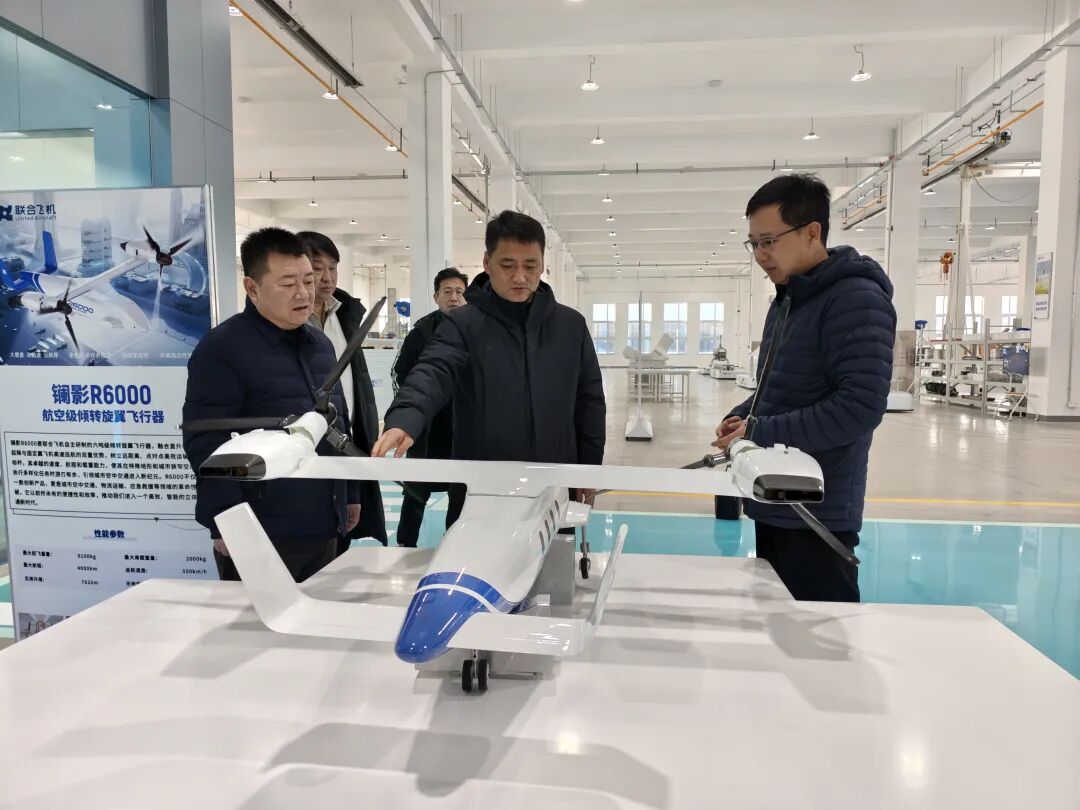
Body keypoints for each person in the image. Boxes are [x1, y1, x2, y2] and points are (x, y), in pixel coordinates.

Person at [714, 173, 896, 603]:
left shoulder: (855, 299)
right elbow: (778, 386)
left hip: (817, 510)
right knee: (776, 622)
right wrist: (744, 415)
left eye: (769, 241)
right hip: (776, 495)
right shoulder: (789, 299)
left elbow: (858, 408)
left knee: (819, 630)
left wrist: (759, 431)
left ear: (812, 232)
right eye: (753, 244)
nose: (760, 255)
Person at [371, 210, 606, 523]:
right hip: (480, 492)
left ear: (542, 264)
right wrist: (404, 418)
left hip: (554, 487)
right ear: (486, 263)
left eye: (530, 266)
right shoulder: (463, 325)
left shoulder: (570, 326)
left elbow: (589, 401)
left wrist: (589, 469)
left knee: (552, 554)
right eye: (507, 265)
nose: (520, 277)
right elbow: (433, 370)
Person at [182, 227, 361, 582]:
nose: (304, 293)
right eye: (288, 283)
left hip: (324, 519)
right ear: (252, 288)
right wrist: (227, 520)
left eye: (308, 281)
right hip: (261, 527)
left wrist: (350, 493)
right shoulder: (222, 349)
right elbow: (205, 443)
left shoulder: (320, 344)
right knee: (255, 618)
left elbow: (336, 423)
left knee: (320, 612)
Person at [297, 230, 387, 550]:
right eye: (317, 268)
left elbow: (355, 380)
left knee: (345, 529)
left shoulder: (346, 314)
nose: (327, 277)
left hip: (347, 434)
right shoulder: (287, 322)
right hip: (306, 442)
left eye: (333, 268)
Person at [391, 266, 468, 547]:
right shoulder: (420, 334)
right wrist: (414, 413)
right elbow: (399, 374)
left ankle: (453, 547)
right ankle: (404, 546)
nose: (454, 297)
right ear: (436, 297)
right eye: (447, 292)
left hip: (462, 431)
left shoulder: (476, 331)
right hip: (426, 430)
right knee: (415, 492)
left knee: (460, 493)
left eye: (459, 292)